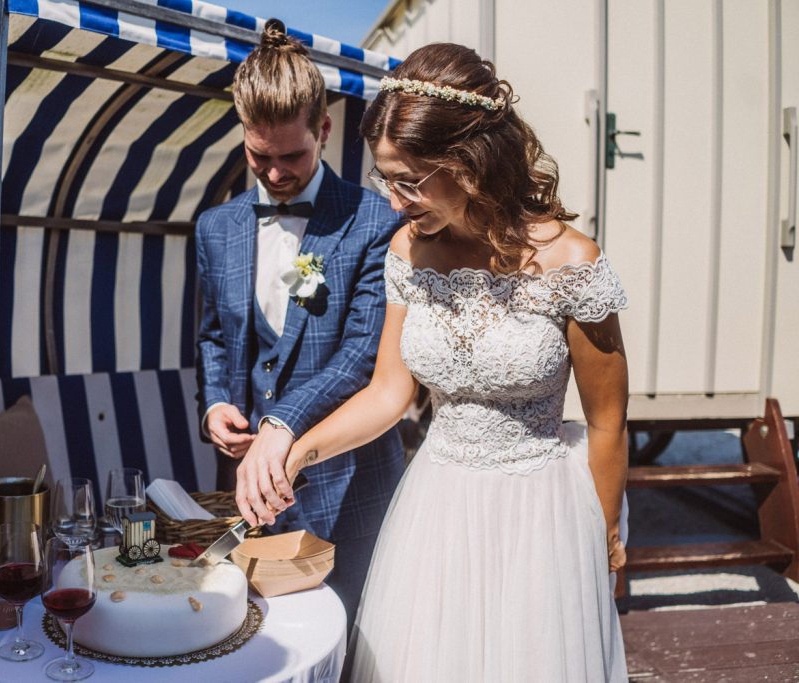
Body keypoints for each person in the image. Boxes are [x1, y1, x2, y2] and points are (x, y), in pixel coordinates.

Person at [236, 42, 630, 682]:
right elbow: (388, 393)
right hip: (438, 508)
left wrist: (605, 536)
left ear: (470, 162)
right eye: (384, 179)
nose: (394, 201)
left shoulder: (572, 263)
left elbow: (608, 420)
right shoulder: (407, 252)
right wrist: (296, 452)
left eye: (410, 181)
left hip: (542, 514)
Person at [194, 20, 406, 632]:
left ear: (324, 130)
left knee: (354, 643)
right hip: (249, 497)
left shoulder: (375, 221)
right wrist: (216, 405)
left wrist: (281, 424)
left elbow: (363, 353)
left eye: (292, 156)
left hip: (349, 492)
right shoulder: (215, 228)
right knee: (255, 642)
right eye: (259, 156)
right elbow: (214, 337)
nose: (276, 173)